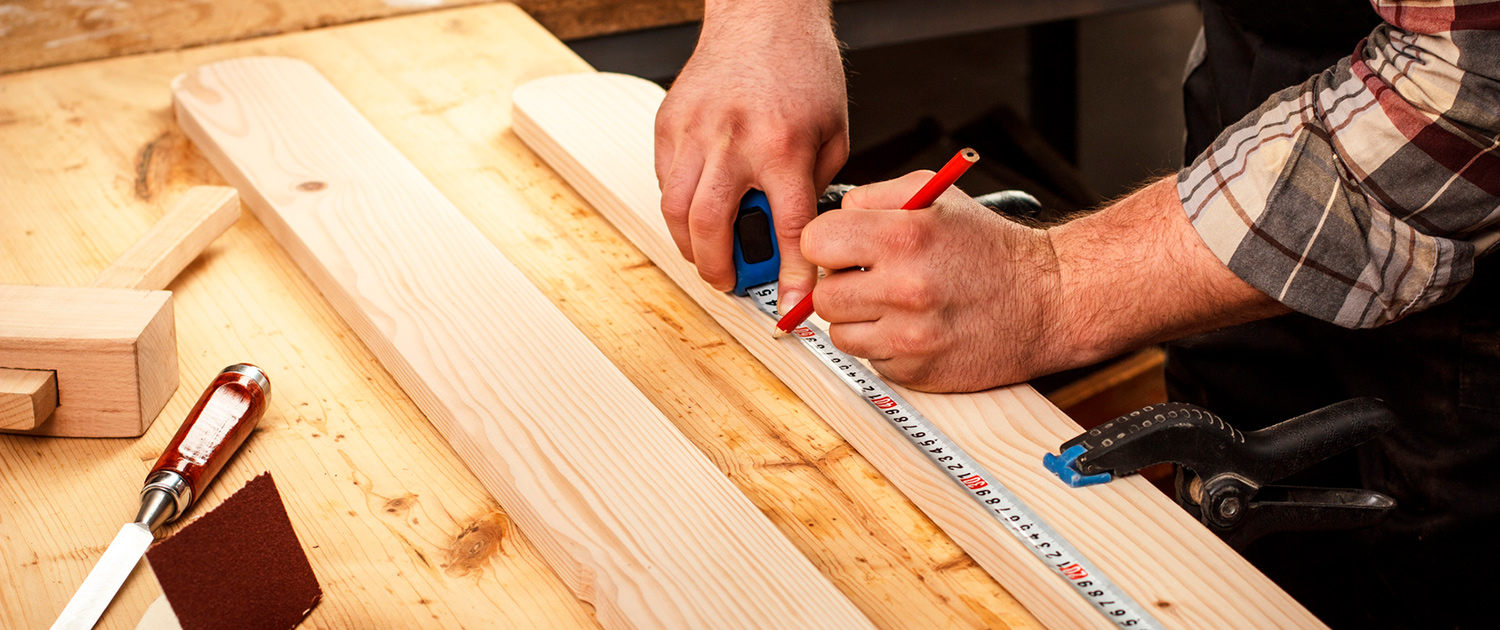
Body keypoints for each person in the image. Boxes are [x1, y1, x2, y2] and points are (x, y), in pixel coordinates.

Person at [655, 0, 1500, 627]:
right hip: (1268, 80)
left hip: (1461, 169)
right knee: (1220, 563)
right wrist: (765, 17)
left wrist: (1055, 285)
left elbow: (1474, 81)